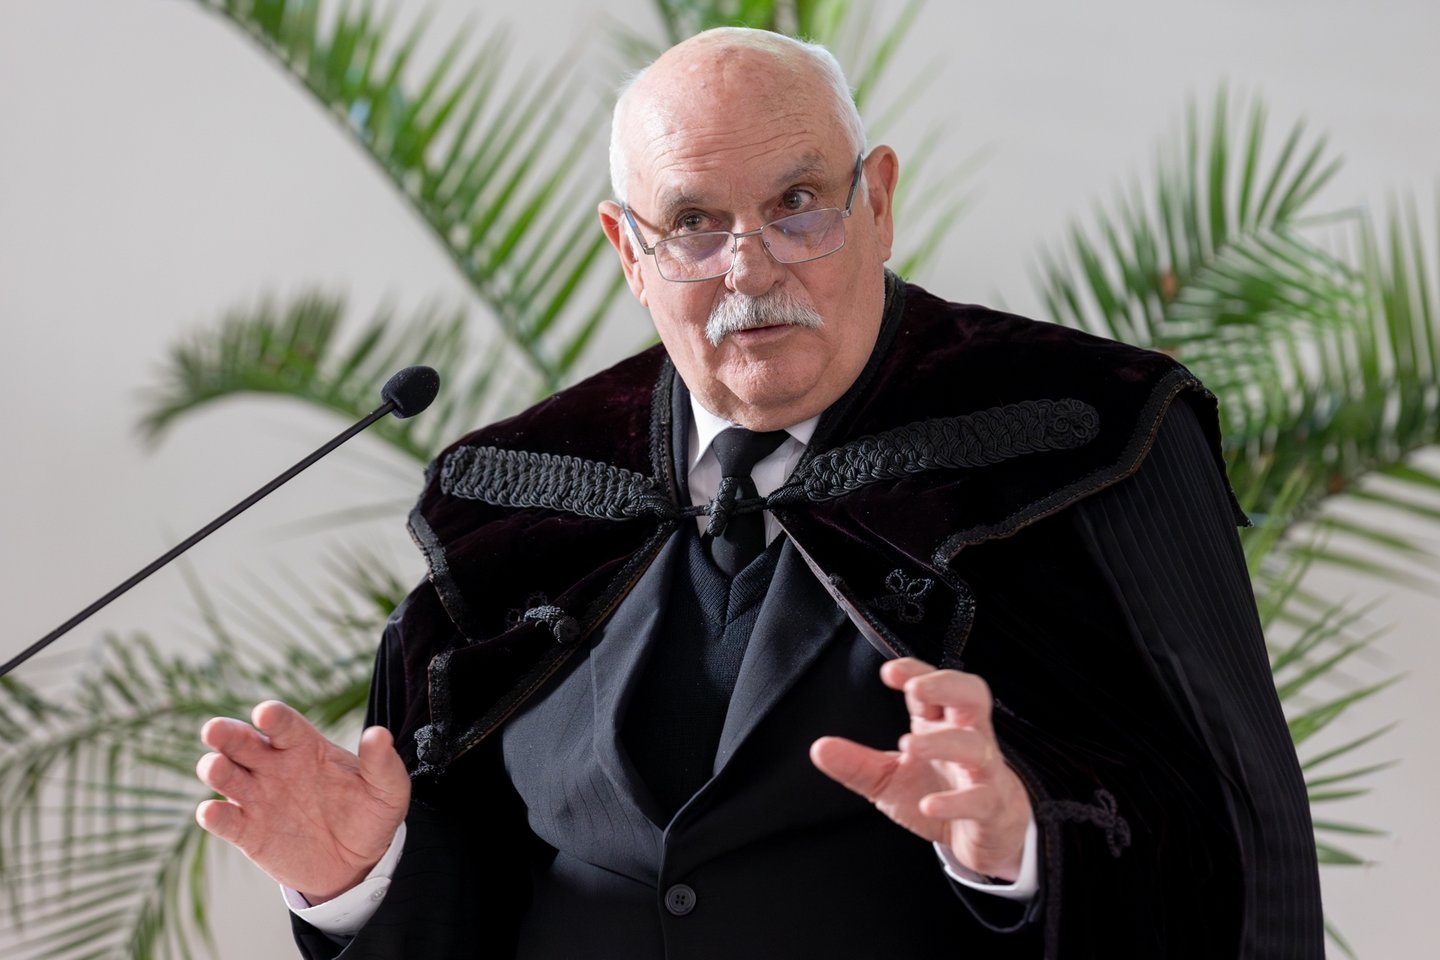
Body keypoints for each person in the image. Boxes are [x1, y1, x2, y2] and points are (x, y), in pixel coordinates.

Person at [194, 26, 1323, 959]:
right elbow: (481, 878)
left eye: (798, 201)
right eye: (693, 222)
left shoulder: (1086, 433)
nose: (751, 265)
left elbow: (1235, 836)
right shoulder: (516, 502)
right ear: (628, 251)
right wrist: (362, 876)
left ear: (878, 201)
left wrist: (1026, 842)